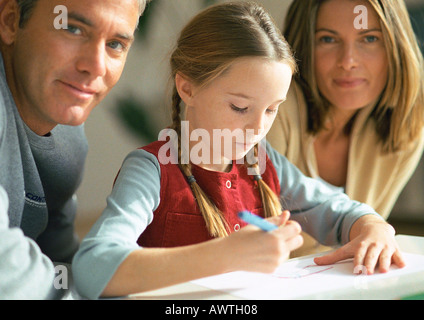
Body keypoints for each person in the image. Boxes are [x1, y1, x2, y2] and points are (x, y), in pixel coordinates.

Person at [72, 1, 404, 300]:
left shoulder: (264, 162)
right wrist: (225, 255)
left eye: (272, 109)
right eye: (240, 107)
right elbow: (92, 270)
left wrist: (373, 228)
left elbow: (338, 209)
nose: (258, 128)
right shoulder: (151, 169)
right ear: (187, 87)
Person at [0, 0, 149, 299]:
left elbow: (64, 266)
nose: (95, 65)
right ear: (10, 20)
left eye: (116, 44)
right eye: (72, 28)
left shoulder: (68, 141)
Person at [267, 0, 424, 256]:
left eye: (369, 39)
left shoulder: (407, 127)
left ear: (396, 47)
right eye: (328, 39)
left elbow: (365, 242)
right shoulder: (271, 106)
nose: (348, 61)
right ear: (303, 45)